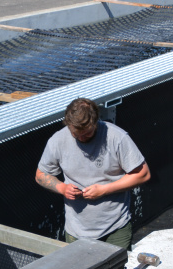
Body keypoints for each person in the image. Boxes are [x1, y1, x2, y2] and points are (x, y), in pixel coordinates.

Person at [36, 97, 150, 249]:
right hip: (76, 231)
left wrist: (104, 190)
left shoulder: (117, 137)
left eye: (87, 134)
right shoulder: (57, 140)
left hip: (115, 228)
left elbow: (143, 174)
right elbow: (41, 175)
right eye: (76, 134)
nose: (82, 138)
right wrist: (62, 188)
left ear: (96, 123)